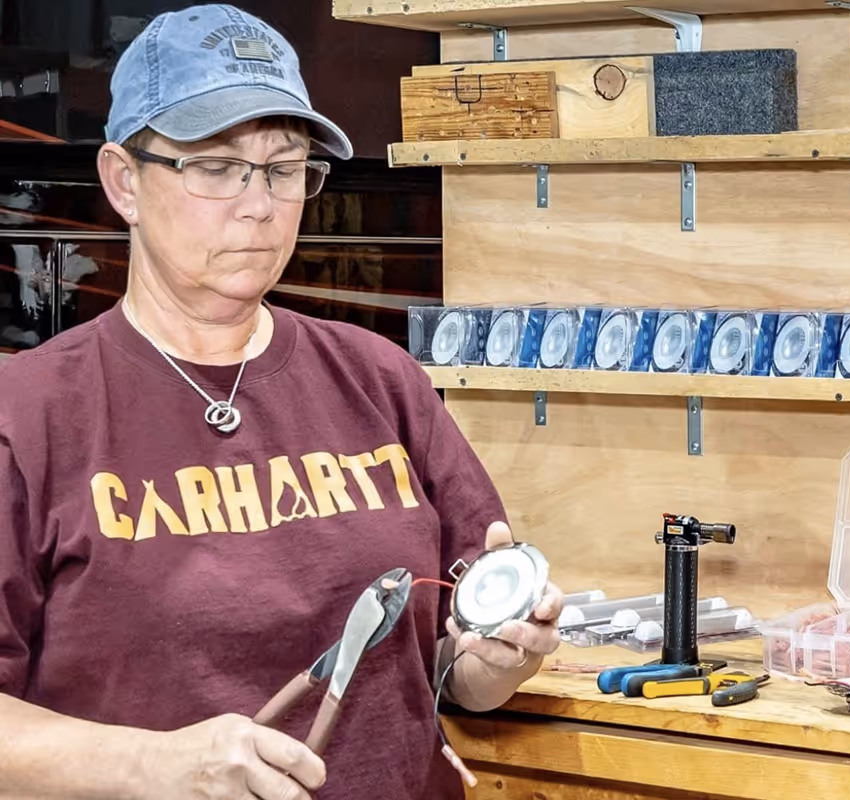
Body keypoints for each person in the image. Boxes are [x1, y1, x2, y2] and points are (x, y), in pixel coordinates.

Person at [0, 4, 563, 800]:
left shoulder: (379, 378)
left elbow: (455, 673)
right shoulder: (27, 417)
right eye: (217, 166)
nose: (260, 204)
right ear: (124, 181)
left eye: (283, 167)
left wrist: (503, 658)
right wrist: (152, 766)